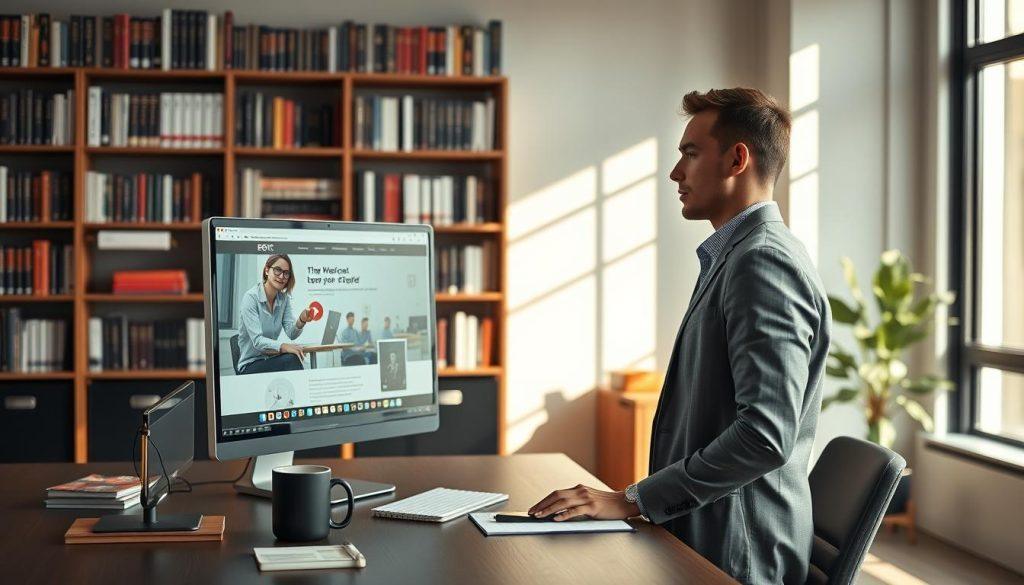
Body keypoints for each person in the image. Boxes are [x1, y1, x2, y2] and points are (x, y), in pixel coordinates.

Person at [528, 88, 831, 584]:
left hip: (738, 556)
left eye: (690, 154)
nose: (676, 173)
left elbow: (765, 435)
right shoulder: (738, 255)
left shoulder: (763, 262)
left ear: (737, 158)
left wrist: (631, 499)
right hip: (712, 534)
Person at [236, 254, 311, 375]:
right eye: (277, 270)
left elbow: (291, 333)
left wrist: (302, 320)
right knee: (291, 359)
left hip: (270, 359)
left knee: (292, 358)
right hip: (250, 365)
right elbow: (258, 341)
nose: (282, 276)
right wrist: (284, 346)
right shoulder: (250, 298)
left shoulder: (283, 299)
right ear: (267, 270)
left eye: (286, 273)